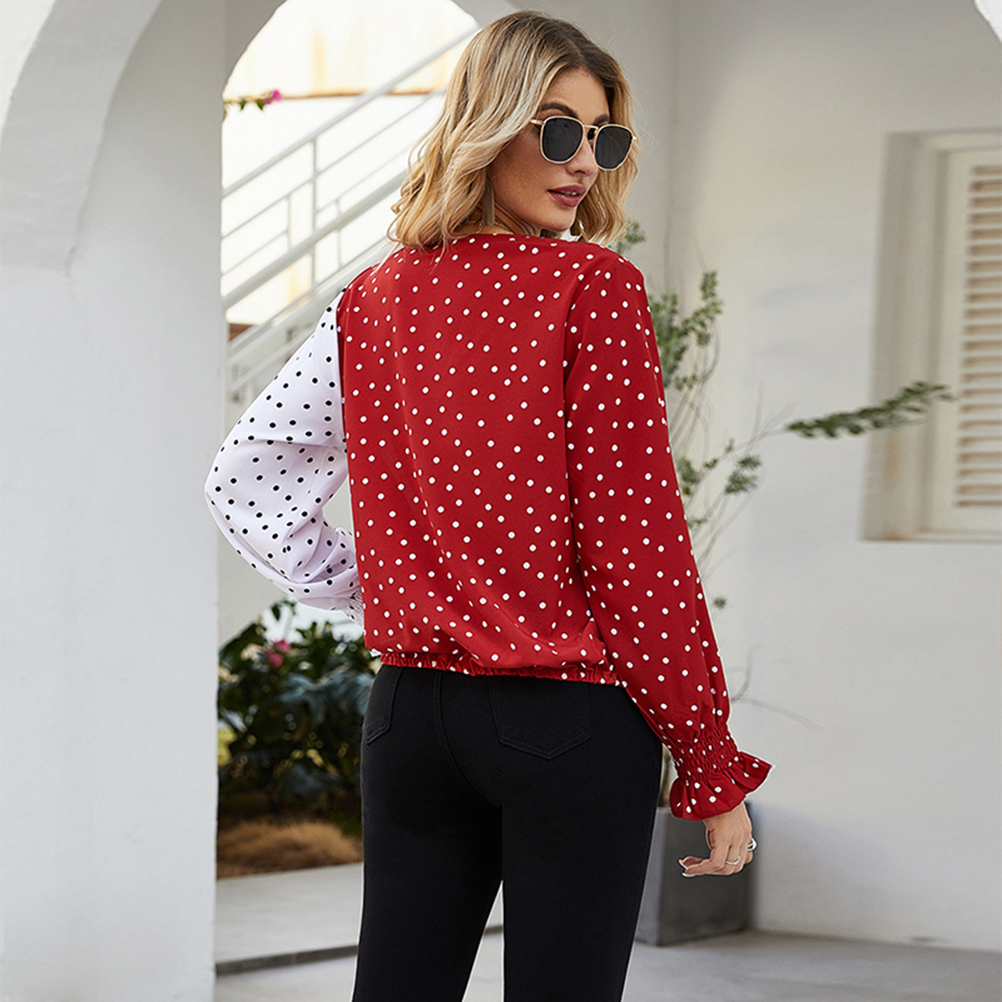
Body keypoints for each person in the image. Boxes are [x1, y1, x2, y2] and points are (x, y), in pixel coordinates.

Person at [205, 11, 772, 1001]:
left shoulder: (374, 298)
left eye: (604, 138)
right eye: (557, 130)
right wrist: (709, 762)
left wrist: (375, 586)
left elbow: (246, 477)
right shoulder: (592, 289)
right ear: (488, 125)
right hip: (568, 719)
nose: (583, 161)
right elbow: (636, 549)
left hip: (410, 722)